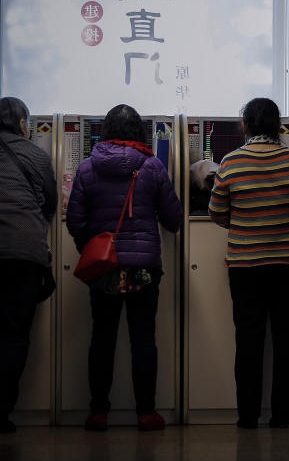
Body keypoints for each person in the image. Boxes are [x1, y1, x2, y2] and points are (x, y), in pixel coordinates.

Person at [66, 103, 183, 432]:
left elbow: (75, 220)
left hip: (103, 269)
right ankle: (146, 412)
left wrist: (92, 249)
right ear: (139, 132)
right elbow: (173, 219)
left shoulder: (88, 168)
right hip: (143, 269)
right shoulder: (153, 167)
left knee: (101, 338)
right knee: (144, 339)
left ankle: (98, 412)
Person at [208, 97, 289, 429]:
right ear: (279, 127)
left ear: (245, 126)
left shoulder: (231, 162)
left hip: (245, 266)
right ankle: (282, 415)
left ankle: (247, 416)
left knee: (248, 340)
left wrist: (243, 222)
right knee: (288, 340)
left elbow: (217, 212)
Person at [0, 97, 56, 434]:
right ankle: (2, 411)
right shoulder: (35, 154)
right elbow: (49, 201)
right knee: (14, 334)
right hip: (22, 254)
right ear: (23, 125)